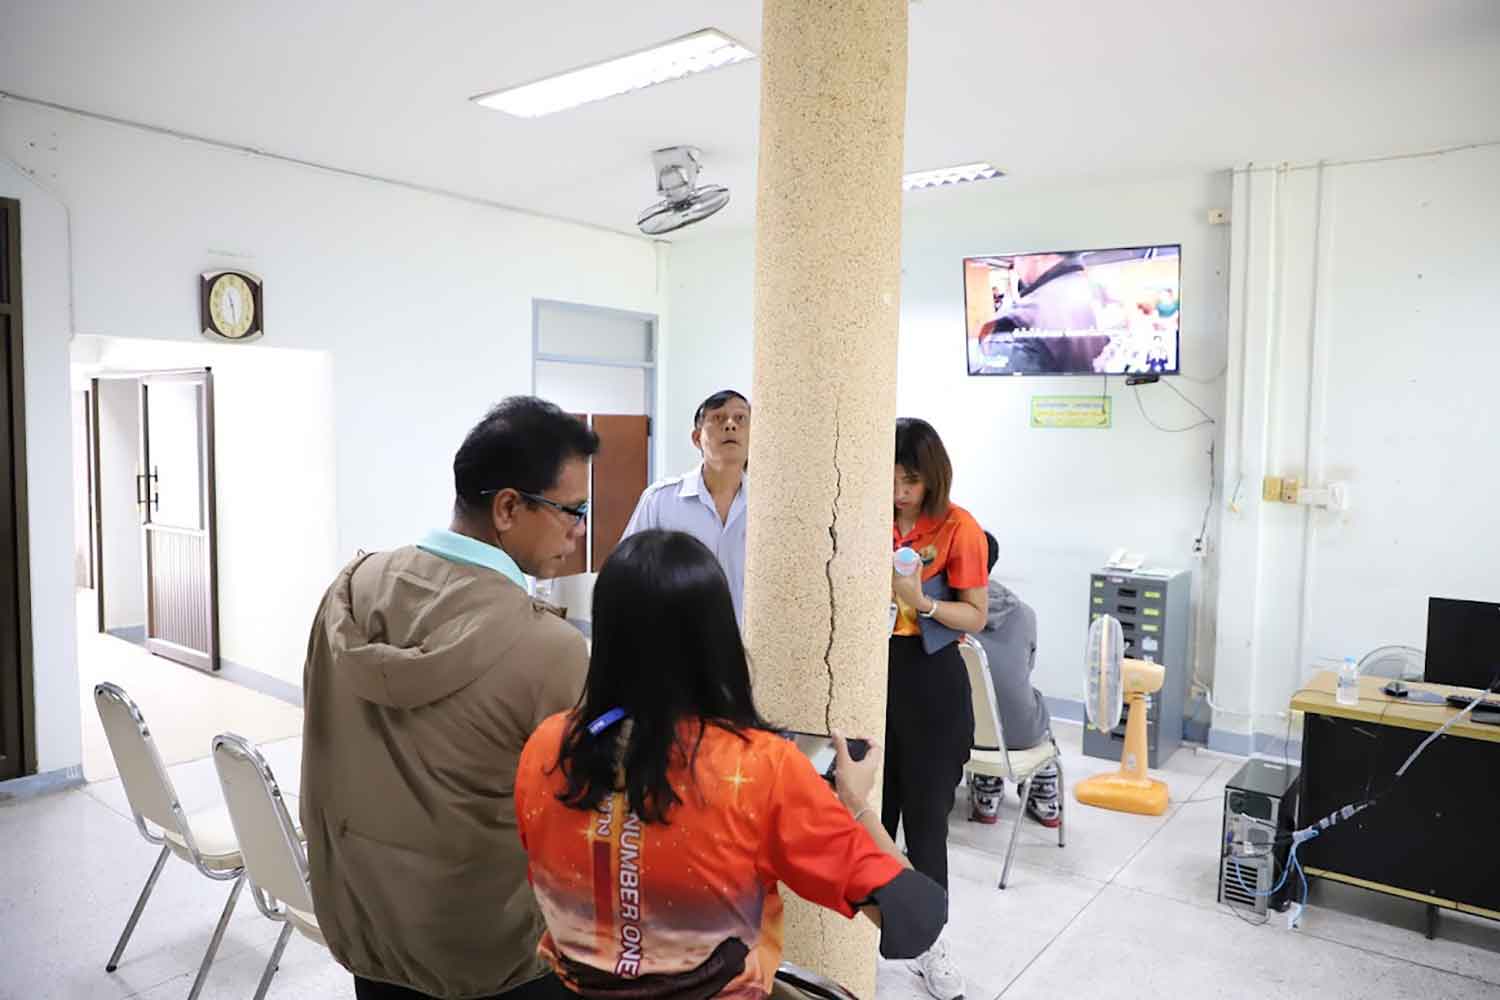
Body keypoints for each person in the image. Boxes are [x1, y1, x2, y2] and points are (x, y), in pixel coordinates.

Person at [515, 530, 947, 999]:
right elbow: (915, 917)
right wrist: (856, 806)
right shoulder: (763, 770)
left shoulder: (547, 746)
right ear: (718, 637)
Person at [300, 397, 599, 1000]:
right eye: (572, 510)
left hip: (369, 933)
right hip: (493, 960)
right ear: (508, 507)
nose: (581, 530)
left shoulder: (350, 593)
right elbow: (590, 814)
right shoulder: (551, 649)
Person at [888, 418, 988, 1000]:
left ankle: (932, 946)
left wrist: (922, 603)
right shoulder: (864, 515)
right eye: (892, 479)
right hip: (869, 673)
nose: (900, 492)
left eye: (911, 481)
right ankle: (855, 942)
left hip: (930, 677)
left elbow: (975, 615)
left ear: (932, 478)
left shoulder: (958, 527)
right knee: (867, 816)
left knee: (926, 823)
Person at [620, 390, 750, 622]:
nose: (731, 425)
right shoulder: (660, 501)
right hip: (676, 637)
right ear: (697, 438)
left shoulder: (769, 508)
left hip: (750, 640)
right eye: (718, 418)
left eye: (740, 418)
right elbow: (626, 575)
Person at [968, 532, 1061, 828]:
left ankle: (987, 790)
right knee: (1031, 702)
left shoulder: (940, 612)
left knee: (974, 700)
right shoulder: (1025, 614)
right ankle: (1044, 797)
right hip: (1020, 734)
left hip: (958, 734)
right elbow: (1025, 669)